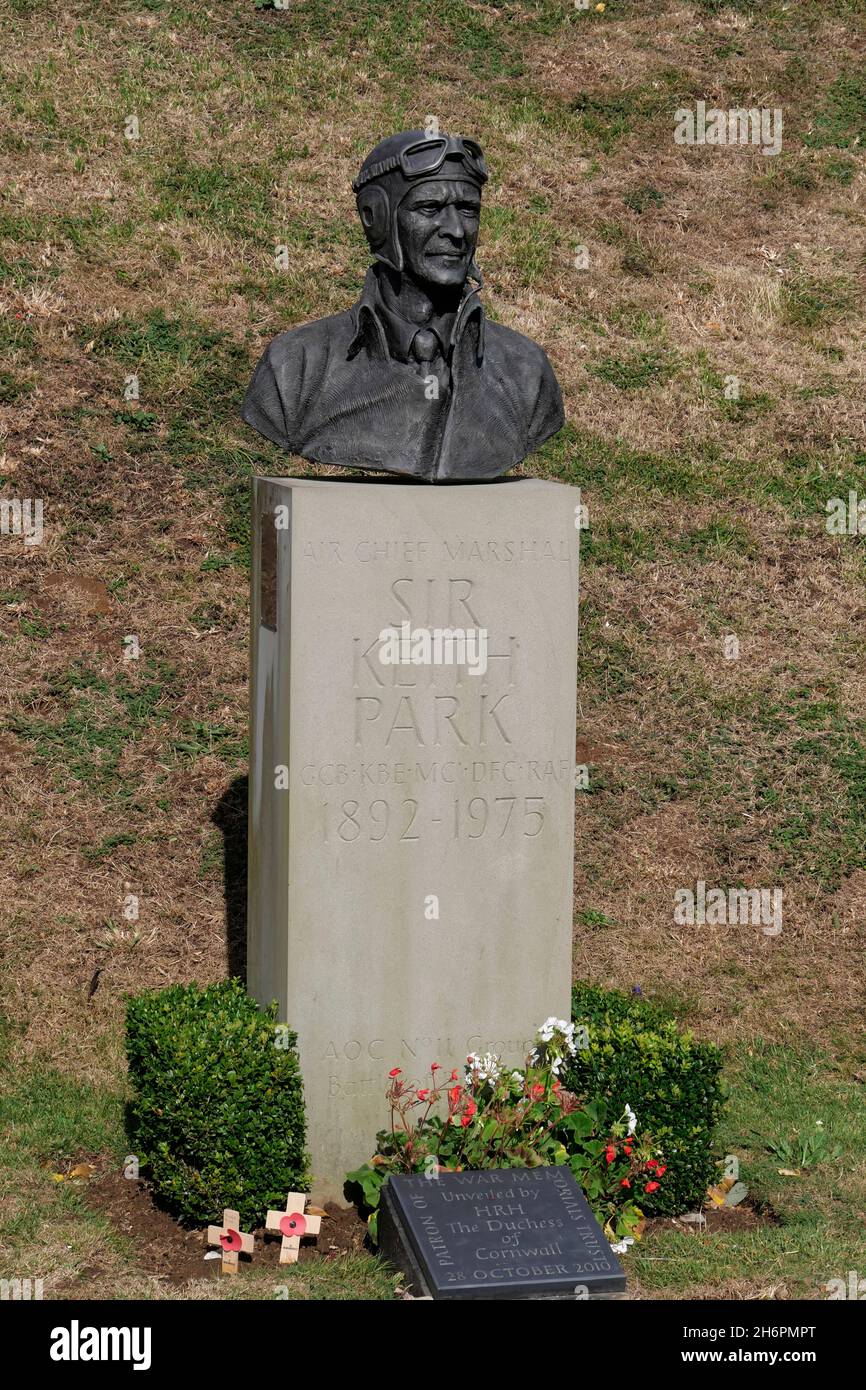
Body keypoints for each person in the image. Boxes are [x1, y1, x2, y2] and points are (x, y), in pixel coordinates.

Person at [242, 130, 564, 482]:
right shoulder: (296, 368)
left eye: (468, 210)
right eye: (430, 208)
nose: (456, 231)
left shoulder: (526, 371)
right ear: (377, 219)